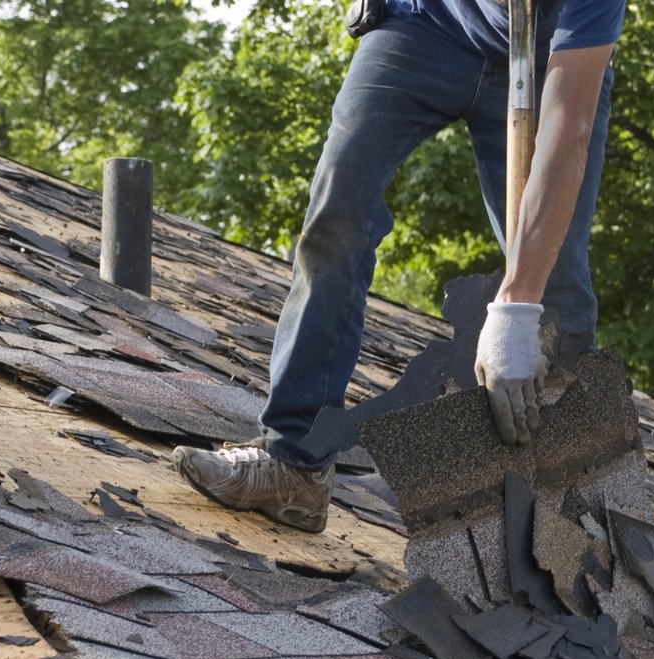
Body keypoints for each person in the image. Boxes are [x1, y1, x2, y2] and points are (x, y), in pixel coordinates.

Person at [173, 0, 626, 533]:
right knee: (339, 213)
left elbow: (569, 127)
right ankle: (294, 462)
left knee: (557, 291)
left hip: (549, 60)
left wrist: (517, 305)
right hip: (426, 24)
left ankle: (575, 520)